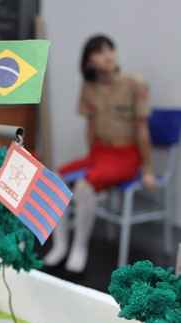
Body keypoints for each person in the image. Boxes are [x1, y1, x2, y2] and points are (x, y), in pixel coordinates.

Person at [44, 35, 156, 273]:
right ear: (88, 63)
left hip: (126, 154)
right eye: (98, 52)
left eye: (109, 49)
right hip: (100, 153)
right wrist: (93, 160)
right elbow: (91, 127)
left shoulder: (135, 84)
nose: (107, 55)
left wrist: (147, 169)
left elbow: (142, 128)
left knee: (85, 186)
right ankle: (60, 244)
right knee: (54, 178)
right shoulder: (89, 87)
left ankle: (80, 247)